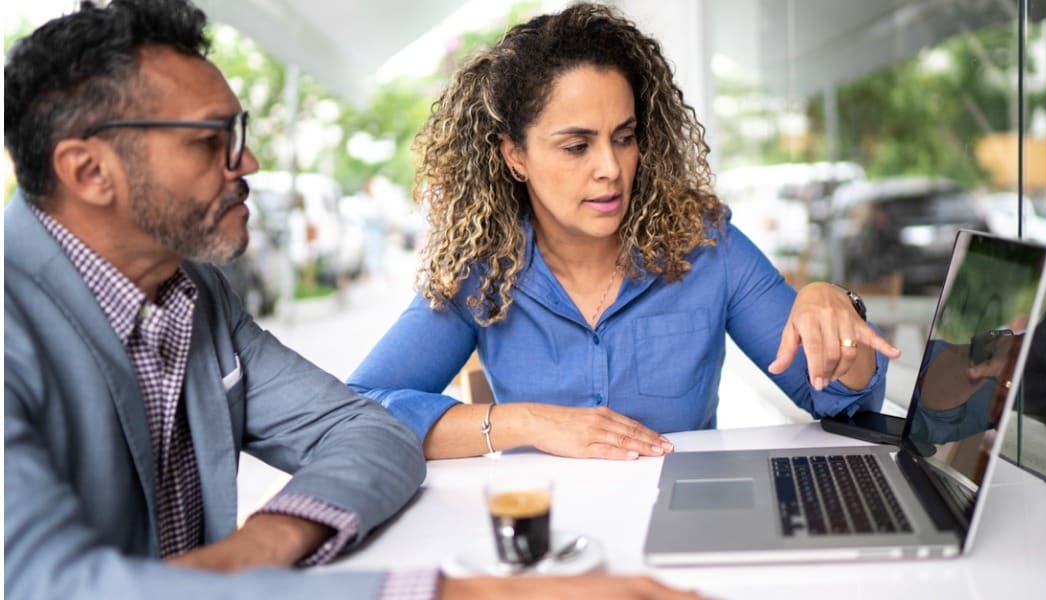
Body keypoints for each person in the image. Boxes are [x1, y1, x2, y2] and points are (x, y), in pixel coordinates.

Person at [3, 2, 699, 599]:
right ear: (88, 170)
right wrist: (462, 592)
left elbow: (369, 431)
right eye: (212, 141)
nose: (247, 164)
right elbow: (49, 584)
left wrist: (253, 552)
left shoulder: (195, 296)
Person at [348, 3, 901, 461]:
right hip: (551, 551)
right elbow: (359, 411)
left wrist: (835, 313)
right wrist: (529, 423)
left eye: (624, 136)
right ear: (514, 155)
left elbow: (838, 404)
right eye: (576, 145)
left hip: (688, 533)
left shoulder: (707, 245)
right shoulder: (483, 269)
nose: (610, 168)